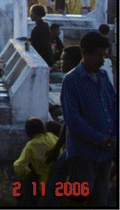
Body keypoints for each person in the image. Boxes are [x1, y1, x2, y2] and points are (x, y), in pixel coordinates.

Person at [59, 31, 117, 206]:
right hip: (84, 151)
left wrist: (114, 138)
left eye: (103, 55)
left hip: (106, 151)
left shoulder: (104, 77)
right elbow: (73, 119)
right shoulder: (71, 81)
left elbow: (114, 108)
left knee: (101, 197)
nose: (101, 59)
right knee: (79, 199)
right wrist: (100, 138)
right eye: (98, 55)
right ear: (84, 53)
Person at [37, 45, 82, 207]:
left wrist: (56, 147)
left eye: (63, 60)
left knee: (60, 176)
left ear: (72, 63)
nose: (60, 62)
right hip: (78, 141)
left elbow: (69, 120)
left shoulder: (71, 80)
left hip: (80, 143)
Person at [13, 117, 58, 206]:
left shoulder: (31, 145)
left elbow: (19, 166)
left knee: (23, 183)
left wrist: (28, 172)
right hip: (61, 182)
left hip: (43, 185)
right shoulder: (52, 137)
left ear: (28, 133)